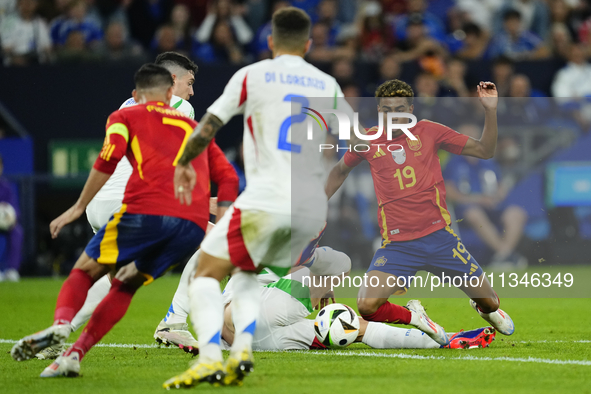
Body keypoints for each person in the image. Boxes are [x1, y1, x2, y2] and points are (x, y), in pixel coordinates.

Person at [164, 6, 353, 389]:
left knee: (207, 268)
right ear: (309, 44)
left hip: (266, 196)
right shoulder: (326, 83)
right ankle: (246, 347)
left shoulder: (250, 75)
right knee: (251, 273)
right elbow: (357, 138)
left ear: (269, 41)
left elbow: (209, 126)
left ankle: (212, 357)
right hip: (308, 204)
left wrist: (183, 162)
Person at [34, 51, 238, 361]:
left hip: (101, 205)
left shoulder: (126, 107)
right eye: (190, 82)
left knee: (112, 276)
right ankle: (173, 322)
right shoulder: (180, 107)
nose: (191, 91)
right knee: (215, 243)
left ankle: (58, 333)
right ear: (171, 82)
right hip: (136, 204)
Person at [324, 79, 515, 345]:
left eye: (400, 109)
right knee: (367, 306)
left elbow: (486, 150)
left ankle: (487, 310)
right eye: (387, 110)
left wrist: (490, 110)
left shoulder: (430, 131)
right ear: (379, 112)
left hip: (441, 240)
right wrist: (319, 203)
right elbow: (339, 171)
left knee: (491, 302)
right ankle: (417, 318)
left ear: (411, 110)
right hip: (398, 247)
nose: (394, 116)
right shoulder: (367, 140)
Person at [444, 124, 528, 269]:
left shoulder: (488, 161)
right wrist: (477, 199)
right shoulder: (453, 163)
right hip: (467, 208)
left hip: (493, 205)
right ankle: (506, 255)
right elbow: (449, 192)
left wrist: (498, 195)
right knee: (474, 214)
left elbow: (501, 186)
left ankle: (503, 256)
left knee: (517, 213)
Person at [0, 155, 23, 282]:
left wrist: (11, 218)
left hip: (5, 224)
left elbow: (14, 210)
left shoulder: (6, 187)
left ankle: (12, 271)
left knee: (17, 232)